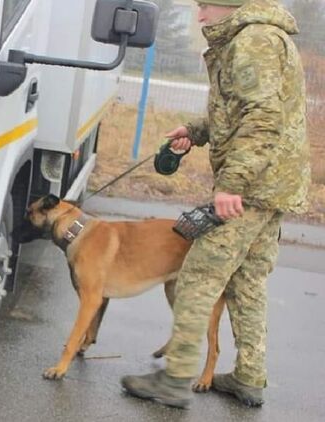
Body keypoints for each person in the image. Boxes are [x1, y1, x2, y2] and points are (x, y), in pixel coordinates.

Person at [120, 0, 310, 409]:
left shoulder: (253, 41)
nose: (200, 15)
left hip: (251, 188)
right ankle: (249, 377)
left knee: (197, 278)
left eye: (206, 5)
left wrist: (231, 185)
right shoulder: (260, 36)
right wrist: (195, 131)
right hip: (271, 184)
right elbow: (239, 113)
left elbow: (261, 119)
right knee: (247, 282)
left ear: (230, 6)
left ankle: (175, 379)